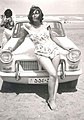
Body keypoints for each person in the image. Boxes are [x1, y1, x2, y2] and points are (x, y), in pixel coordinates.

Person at [9, 6, 71, 110]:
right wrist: (12, 49)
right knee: (52, 74)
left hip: (54, 51)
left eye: (37, 13)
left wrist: (65, 48)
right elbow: (20, 40)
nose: (34, 15)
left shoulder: (46, 25)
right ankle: (51, 99)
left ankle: (53, 98)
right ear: (30, 15)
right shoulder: (27, 27)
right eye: (33, 13)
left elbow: (54, 38)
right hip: (41, 53)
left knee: (54, 76)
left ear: (40, 14)